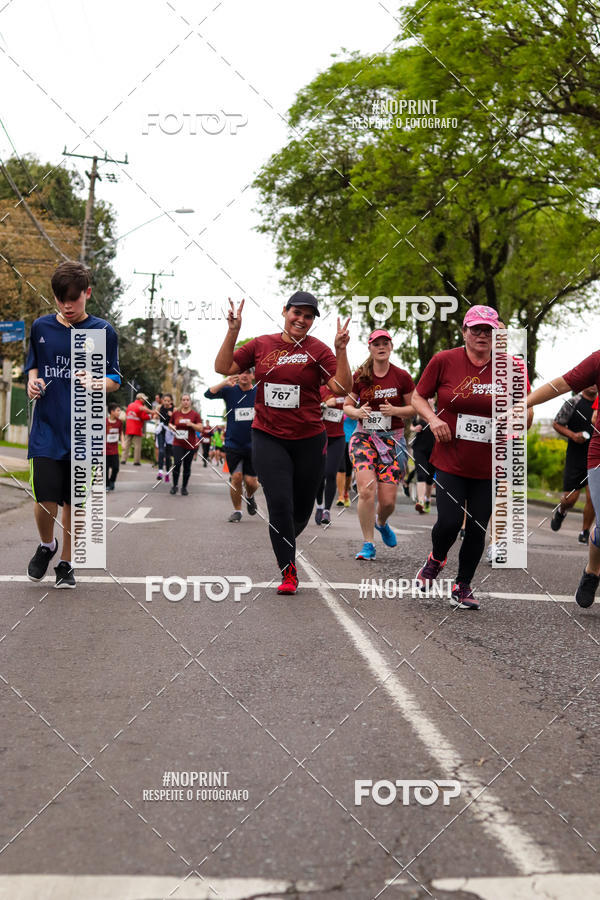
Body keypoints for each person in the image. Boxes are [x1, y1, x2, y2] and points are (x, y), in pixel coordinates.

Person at [215, 291, 351, 594]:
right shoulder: (261, 345)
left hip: (309, 439)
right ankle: (288, 571)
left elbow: (341, 386)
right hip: (268, 436)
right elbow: (223, 368)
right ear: (284, 312)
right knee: (279, 503)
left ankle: (286, 538)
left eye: (308, 316)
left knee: (300, 511)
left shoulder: (319, 349)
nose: (301, 319)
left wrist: (341, 351)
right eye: (296, 313)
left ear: (313, 321)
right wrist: (233, 331)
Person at [411, 305, 530, 610]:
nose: (481, 335)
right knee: (449, 523)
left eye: (488, 330)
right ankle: (436, 558)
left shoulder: (512, 366)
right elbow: (418, 396)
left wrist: (518, 420)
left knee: (477, 526)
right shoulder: (444, 360)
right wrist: (433, 420)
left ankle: (462, 585)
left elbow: (527, 408)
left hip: (490, 463)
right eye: (475, 329)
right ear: (463, 331)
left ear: (497, 333)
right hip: (451, 457)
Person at [25, 260, 120, 589]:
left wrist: (97, 382)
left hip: (86, 431)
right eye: (60, 298)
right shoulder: (41, 328)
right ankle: (46, 545)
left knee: (74, 502)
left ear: (87, 294)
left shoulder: (102, 331)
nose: (66, 305)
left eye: (73, 298)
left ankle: (66, 562)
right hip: (47, 428)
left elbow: (115, 378)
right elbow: (33, 367)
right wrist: (31, 384)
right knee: (44, 498)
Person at [525, 354, 600, 607]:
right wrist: (523, 404)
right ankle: (592, 570)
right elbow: (560, 384)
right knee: (577, 502)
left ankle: (585, 539)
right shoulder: (597, 362)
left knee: (592, 502)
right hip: (591, 453)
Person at [343, 329, 415, 560]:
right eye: (377, 344)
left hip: (393, 440)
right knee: (366, 490)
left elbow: (415, 408)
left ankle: (381, 522)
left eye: (385, 343)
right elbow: (347, 406)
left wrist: (395, 411)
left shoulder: (402, 376)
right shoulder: (360, 376)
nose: (381, 347)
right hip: (364, 436)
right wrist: (357, 412)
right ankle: (368, 544)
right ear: (370, 348)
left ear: (391, 347)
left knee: (387, 502)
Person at [204, 371, 259, 522]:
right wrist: (224, 382)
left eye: (248, 373)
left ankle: (250, 496)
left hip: (254, 443)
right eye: (241, 373)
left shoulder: (258, 392)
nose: (244, 376)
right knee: (236, 477)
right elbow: (208, 394)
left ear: (253, 376)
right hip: (233, 442)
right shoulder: (230, 390)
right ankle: (237, 511)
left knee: (251, 482)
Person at [550, 386, 597, 543]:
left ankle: (584, 531)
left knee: (593, 497)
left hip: (595, 458)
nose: (594, 385)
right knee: (570, 499)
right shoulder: (573, 402)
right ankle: (562, 511)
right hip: (575, 457)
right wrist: (573, 435)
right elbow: (557, 423)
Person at [314, 386, 347, 525]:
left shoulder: (345, 391)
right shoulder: (319, 390)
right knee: (319, 475)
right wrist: (324, 405)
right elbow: (309, 409)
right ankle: (319, 505)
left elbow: (355, 402)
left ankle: (327, 510)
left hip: (338, 438)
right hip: (319, 436)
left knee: (330, 473)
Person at [168, 394, 201, 495]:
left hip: (190, 444)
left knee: (187, 466)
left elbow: (200, 428)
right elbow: (170, 424)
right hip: (178, 442)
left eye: (187, 400)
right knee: (177, 463)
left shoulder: (195, 415)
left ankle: (184, 487)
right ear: (181, 402)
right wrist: (172, 427)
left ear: (190, 402)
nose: (185, 401)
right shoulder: (176, 413)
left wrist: (192, 424)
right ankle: (174, 486)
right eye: (183, 400)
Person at [410, 405, 435, 514]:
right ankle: (420, 501)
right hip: (419, 448)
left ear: (433, 401)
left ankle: (428, 500)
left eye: (430, 398)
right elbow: (410, 426)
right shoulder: (418, 414)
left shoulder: (437, 413)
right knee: (421, 474)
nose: (428, 400)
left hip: (433, 449)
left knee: (429, 478)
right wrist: (414, 428)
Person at [121, 393, 157, 465]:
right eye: (144, 399)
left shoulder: (130, 405)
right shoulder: (141, 406)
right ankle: (136, 461)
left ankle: (123, 459)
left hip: (128, 427)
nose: (145, 400)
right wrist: (152, 415)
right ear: (140, 399)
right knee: (137, 445)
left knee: (127, 444)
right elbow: (144, 417)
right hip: (137, 428)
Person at [335, 414, 356, 507]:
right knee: (341, 468)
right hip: (340, 439)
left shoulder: (358, 404)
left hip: (353, 441)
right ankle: (340, 496)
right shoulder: (340, 403)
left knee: (348, 471)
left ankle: (346, 493)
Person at [156, 392, 174, 480]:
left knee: (168, 455)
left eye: (168, 401)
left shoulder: (174, 410)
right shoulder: (160, 407)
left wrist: (172, 416)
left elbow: (174, 421)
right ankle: (160, 472)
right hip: (161, 430)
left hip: (170, 432)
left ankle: (167, 473)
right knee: (161, 451)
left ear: (171, 402)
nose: (166, 402)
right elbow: (156, 414)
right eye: (165, 400)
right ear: (163, 401)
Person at [106, 402, 123, 491]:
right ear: (112, 412)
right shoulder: (105, 422)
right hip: (105, 450)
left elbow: (121, 434)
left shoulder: (119, 422)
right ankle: (107, 484)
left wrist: (123, 443)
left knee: (116, 467)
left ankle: (112, 481)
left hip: (114, 450)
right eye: (118, 410)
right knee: (105, 469)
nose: (119, 412)